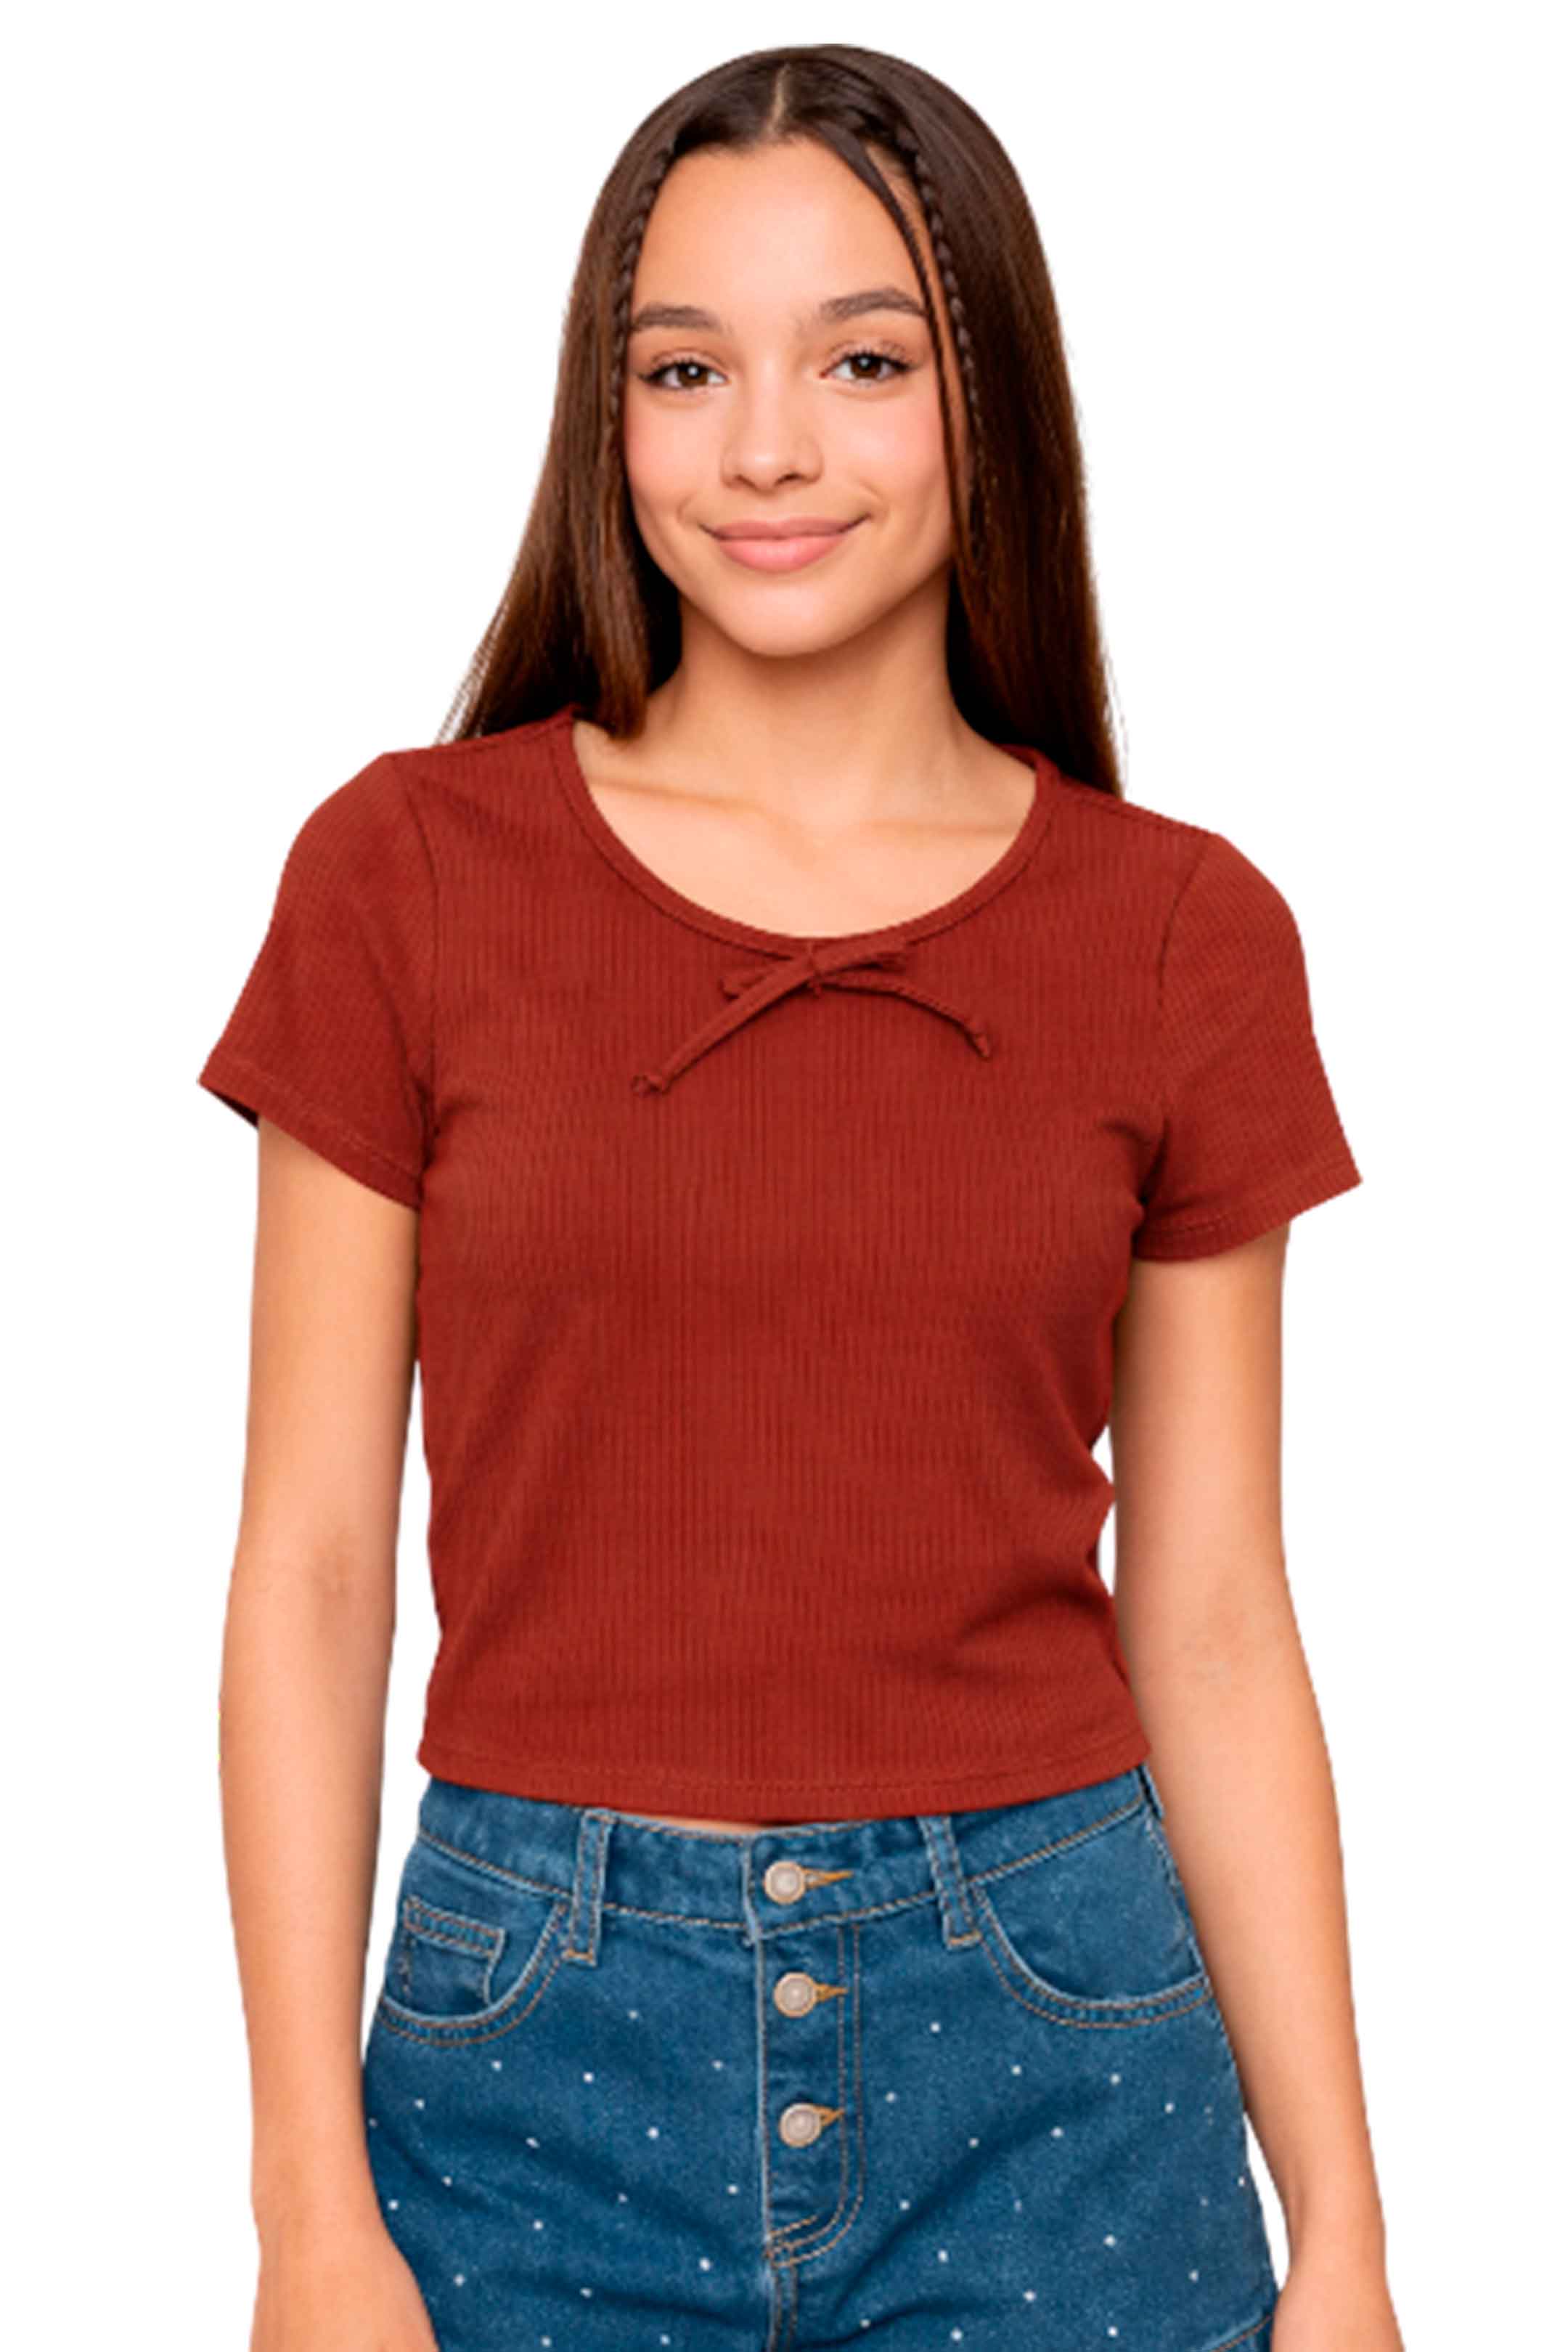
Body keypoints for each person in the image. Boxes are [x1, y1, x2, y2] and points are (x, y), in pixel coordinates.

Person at [200, 41, 1403, 2352]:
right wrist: (306, 2211)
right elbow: (314, 1569)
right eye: (687, 370)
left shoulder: (1183, 936)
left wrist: (1341, 2225)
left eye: (863, 362)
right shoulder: (406, 878)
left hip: (1061, 2061)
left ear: (991, 400)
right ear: (610, 417)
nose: (767, 448)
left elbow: (1219, 1614)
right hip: (524, 2063)